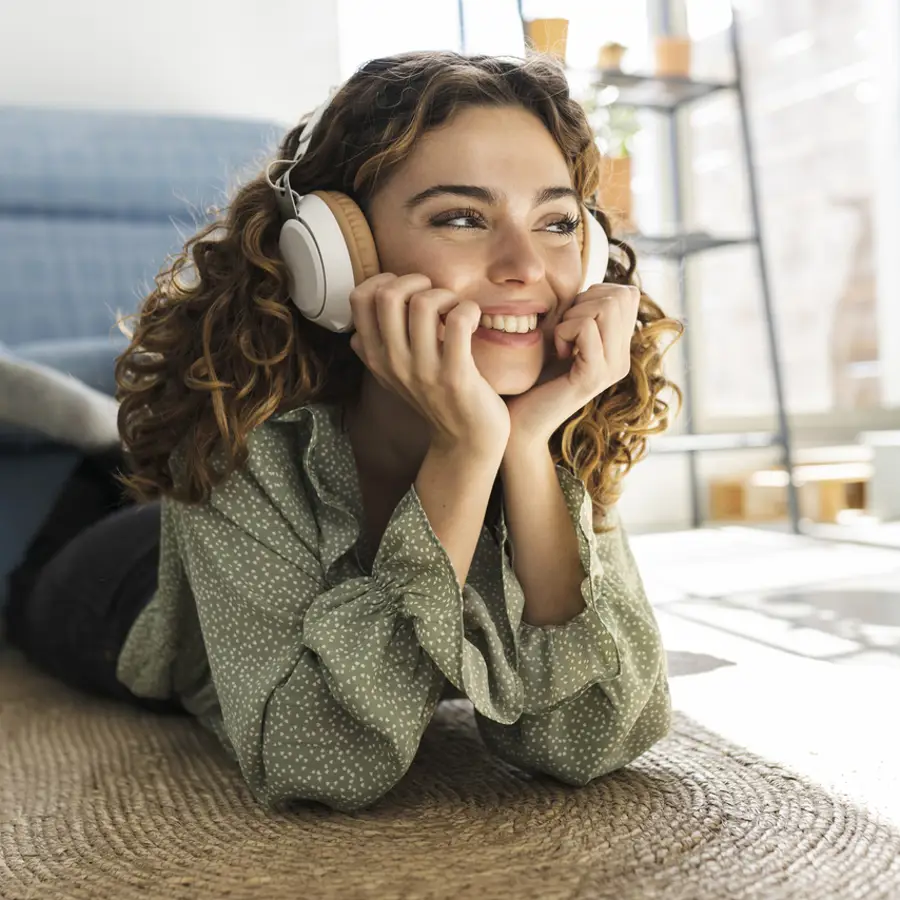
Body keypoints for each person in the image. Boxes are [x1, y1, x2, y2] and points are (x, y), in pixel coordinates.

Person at [4, 50, 684, 813]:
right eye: (462, 217)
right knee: (69, 527)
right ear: (337, 254)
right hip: (117, 583)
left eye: (557, 222)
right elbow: (318, 763)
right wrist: (464, 451)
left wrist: (520, 447)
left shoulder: (558, 412)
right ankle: (89, 438)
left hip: (255, 530)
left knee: (129, 457)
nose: (526, 265)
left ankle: (99, 429)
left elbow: (593, 738)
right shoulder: (247, 442)